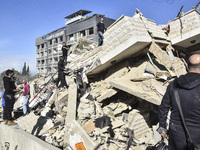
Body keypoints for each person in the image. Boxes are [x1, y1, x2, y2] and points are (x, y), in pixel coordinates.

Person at [157, 54, 200, 150]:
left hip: (176, 133)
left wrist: (162, 127)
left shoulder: (174, 84)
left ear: (187, 65)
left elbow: (164, 107)